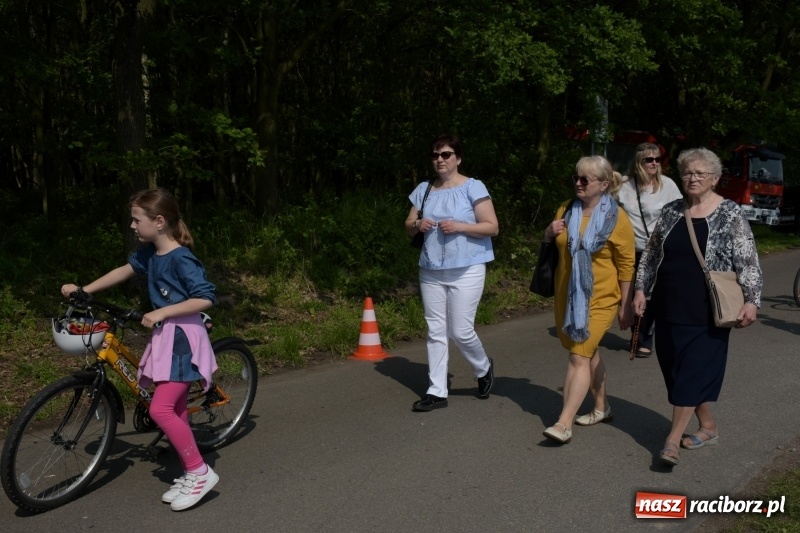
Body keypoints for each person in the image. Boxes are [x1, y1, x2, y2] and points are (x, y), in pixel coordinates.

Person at [61, 188, 219, 510]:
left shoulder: (181, 258)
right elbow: (125, 270)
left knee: (160, 410)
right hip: (167, 337)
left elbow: (205, 297)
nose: (133, 226)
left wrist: (161, 312)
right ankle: (192, 470)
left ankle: (200, 472)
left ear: (159, 222)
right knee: (172, 409)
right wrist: (84, 290)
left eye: (137, 220)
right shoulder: (151, 254)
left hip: (182, 339)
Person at [632, 147, 762, 467]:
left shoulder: (729, 213)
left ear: (715, 179)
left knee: (691, 372)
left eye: (700, 173)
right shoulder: (671, 211)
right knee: (676, 372)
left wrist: (752, 300)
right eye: (688, 172)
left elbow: (747, 259)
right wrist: (640, 290)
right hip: (668, 304)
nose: (692, 178)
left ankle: (672, 441)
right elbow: (650, 255)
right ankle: (708, 426)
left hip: (708, 310)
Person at [542, 155, 635, 444]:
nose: (578, 183)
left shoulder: (616, 218)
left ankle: (564, 422)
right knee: (589, 353)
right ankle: (601, 407)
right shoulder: (566, 209)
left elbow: (627, 264)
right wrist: (548, 233)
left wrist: (626, 305)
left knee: (578, 355)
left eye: (585, 179)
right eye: (576, 178)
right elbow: (553, 248)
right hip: (568, 296)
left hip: (601, 298)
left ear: (604, 185)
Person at [405, 134, 499, 411]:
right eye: (435, 156)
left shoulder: (473, 187)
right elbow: (408, 224)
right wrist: (417, 224)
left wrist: (459, 226)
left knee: (460, 331)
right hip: (431, 268)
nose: (440, 160)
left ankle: (482, 368)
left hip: (467, 268)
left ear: (458, 158)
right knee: (436, 330)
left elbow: (492, 227)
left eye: (446, 154)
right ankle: (437, 391)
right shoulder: (423, 189)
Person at [617, 143, 683, 357]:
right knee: (631, 294)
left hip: (658, 251)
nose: (654, 163)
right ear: (639, 162)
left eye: (657, 159)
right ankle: (636, 331)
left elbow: (680, 215)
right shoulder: (624, 186)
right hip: (630, 250)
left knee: (650, 294)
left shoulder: (668, 186)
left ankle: (644, 338)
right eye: (649, 159)